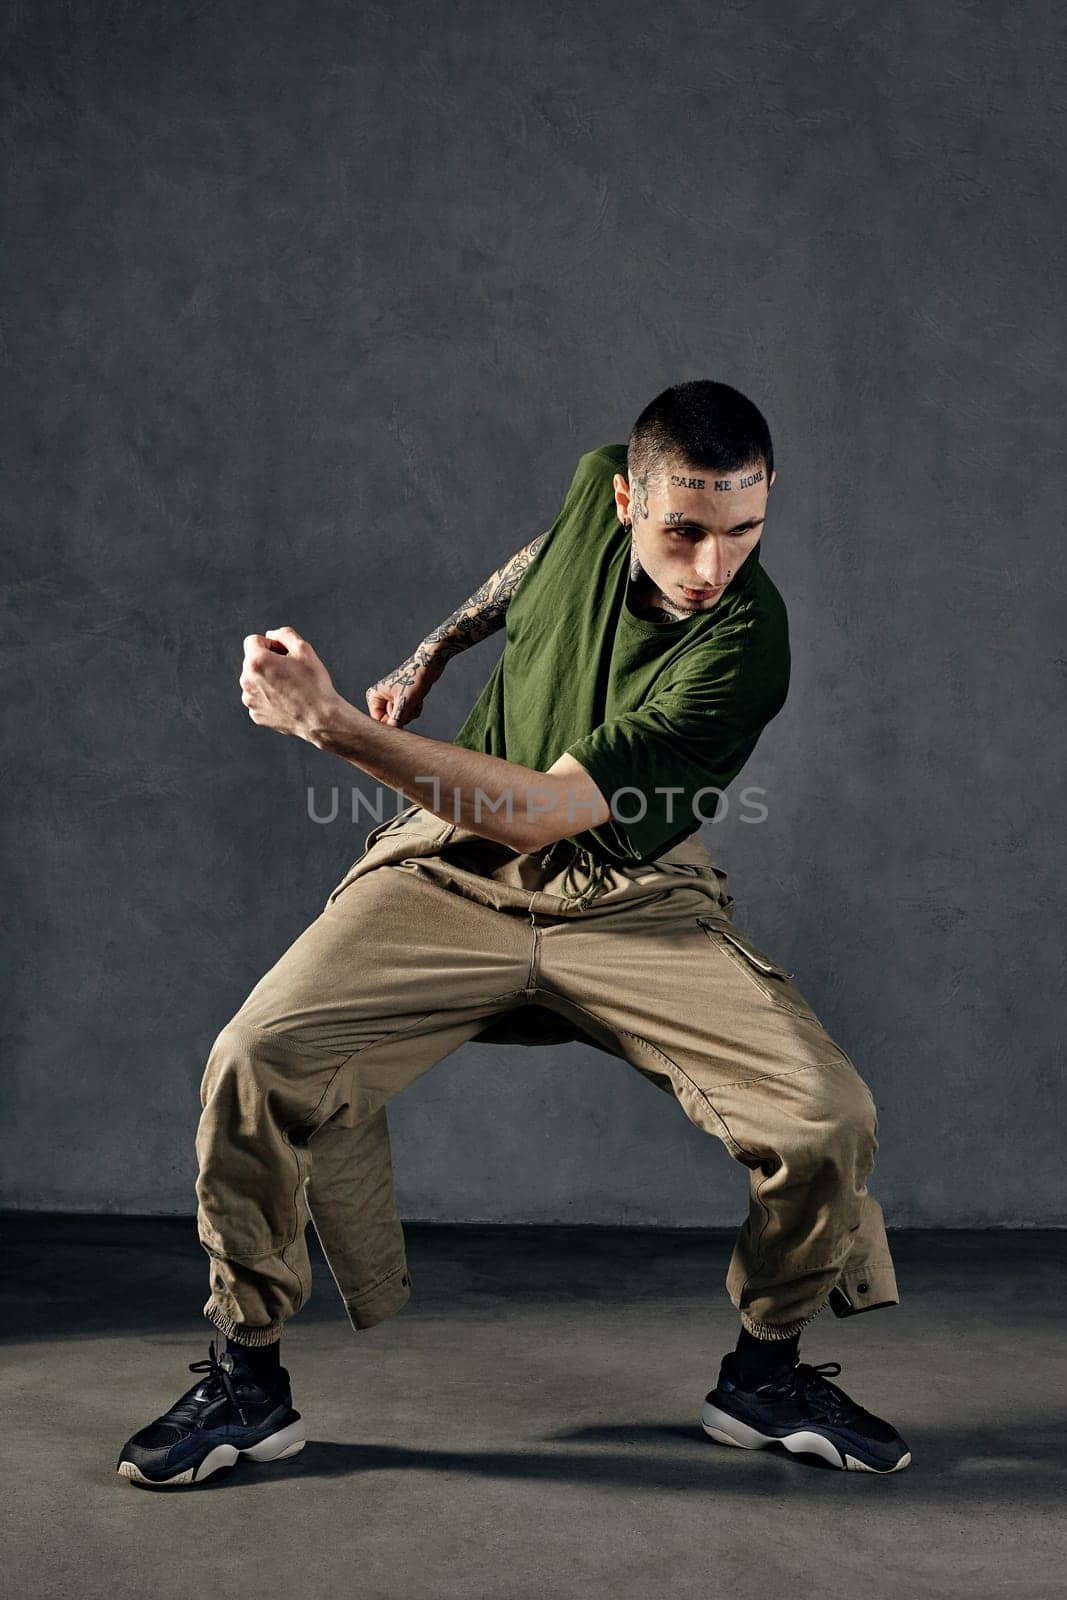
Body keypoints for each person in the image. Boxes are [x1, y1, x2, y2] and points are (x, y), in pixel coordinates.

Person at [116, 379, 910, 1487]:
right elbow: (530, 569)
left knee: (827, 1119)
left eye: (742, 531)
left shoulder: (745, 648)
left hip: (627, 895)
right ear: (627, 499)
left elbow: (538, 809)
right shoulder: (595, 487)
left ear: (767, 498)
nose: (710, 568)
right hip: (448, 870)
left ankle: (763, 1372)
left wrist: (333, 725)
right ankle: (250, 1383)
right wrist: (429, 654)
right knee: (252, 1059)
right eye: (681, 531)